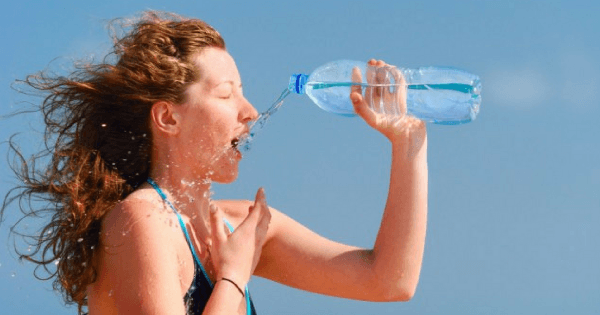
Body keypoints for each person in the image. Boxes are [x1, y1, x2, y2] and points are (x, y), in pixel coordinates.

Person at [1, 11, 428, 315]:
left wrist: (407, 141)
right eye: (227, 94)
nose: (251, 111)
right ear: (169, 117)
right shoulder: (141, 221)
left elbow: (389, 280)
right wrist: (233, 277)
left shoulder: (240, 225)